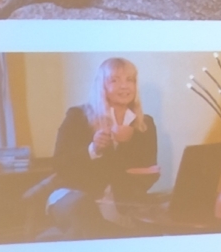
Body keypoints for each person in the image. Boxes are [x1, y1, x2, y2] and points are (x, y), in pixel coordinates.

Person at [51, 58, 160, 207]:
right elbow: (60, 165)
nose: (124, 86)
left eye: (130, 80)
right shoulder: (78, 116)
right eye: (114, 80)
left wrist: (126, 145)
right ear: (101, 86)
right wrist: (93, 149)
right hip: (80, 196)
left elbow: (147, 171)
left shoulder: (145, 124)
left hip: (124, 201)